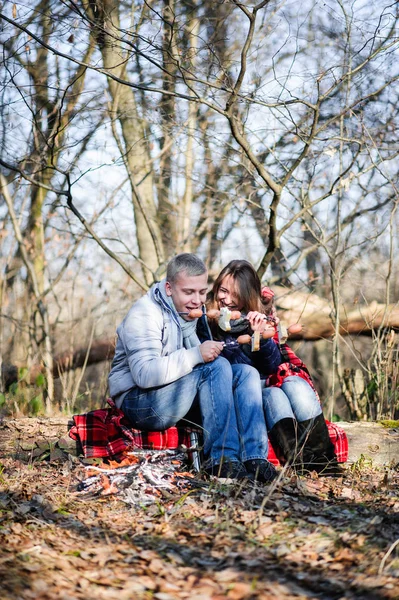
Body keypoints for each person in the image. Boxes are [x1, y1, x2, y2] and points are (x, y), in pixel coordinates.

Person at [108, 253, 277, 482]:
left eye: (201, 292)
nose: (197, 300)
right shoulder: (145, 314)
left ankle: (255, 459)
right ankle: (222, 461)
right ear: (169, 288)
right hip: (140, 402)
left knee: (245, 373)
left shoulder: (188, 312)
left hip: (174, 390)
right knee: (214, 368)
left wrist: (256, 330)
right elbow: (144, 375)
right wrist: (196, 354)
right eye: (188, 292)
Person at [199, 259, 340, 475]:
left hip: (266, 381)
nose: (225, 299)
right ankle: (301, 463)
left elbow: (274, 365)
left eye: (233, 294)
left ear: (246, 296)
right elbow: (233, 370)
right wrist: (244, 339)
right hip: (246, 393)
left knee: (296, 384)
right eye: (222, 290)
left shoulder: (255, 315)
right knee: (273, 395)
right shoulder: (208, 319)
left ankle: (324, 462)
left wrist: (263, 338)